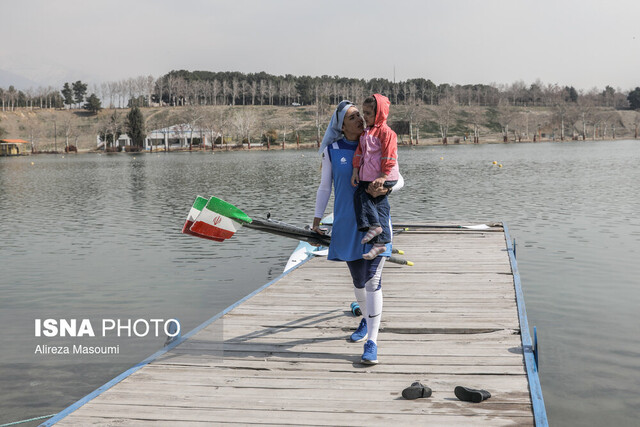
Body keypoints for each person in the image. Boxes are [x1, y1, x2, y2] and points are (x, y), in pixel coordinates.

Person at [312, 100, 403, 365]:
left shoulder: (376, 139)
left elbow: (400, 178)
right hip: (346, 225)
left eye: (360, 115)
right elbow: (324, 189)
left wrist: (385, 187)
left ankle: (372, 341)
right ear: (341, 125)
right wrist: (317, 220)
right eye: (353, 117)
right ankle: (366, 318)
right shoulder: (332, 150)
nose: (360, 120)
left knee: (373, 281)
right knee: (358, 282)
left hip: (375, 221)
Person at [350, 94, 399, 260]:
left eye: (368, 113)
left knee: (363, 196)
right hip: (370, 176)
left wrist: (383, 176)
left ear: (379, 114)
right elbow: (359, 153)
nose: (365, 117)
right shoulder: (366, 133)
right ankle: (380, 243)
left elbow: (389, 156)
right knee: (380, 207)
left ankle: (373, 226)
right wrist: (356, 170)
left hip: (383, 176)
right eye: (363, 112)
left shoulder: (386, 133)